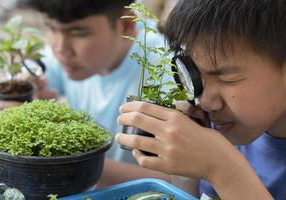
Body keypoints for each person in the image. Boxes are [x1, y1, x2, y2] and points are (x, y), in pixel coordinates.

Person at [116, 0, 286, 199]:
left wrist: (223, 169)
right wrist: (188, 167)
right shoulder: (228, 130)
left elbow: (222, 171)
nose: (205, 101)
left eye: (227, 79)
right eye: (197, 76)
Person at [0, 0, 167, 166]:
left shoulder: (166, 71)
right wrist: (12, 101)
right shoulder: (70, 57)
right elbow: (28, 79)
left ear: (126, 25)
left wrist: (68, 159)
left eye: (79, 33)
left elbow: (173, 181)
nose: (61, 49)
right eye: (51, 28)